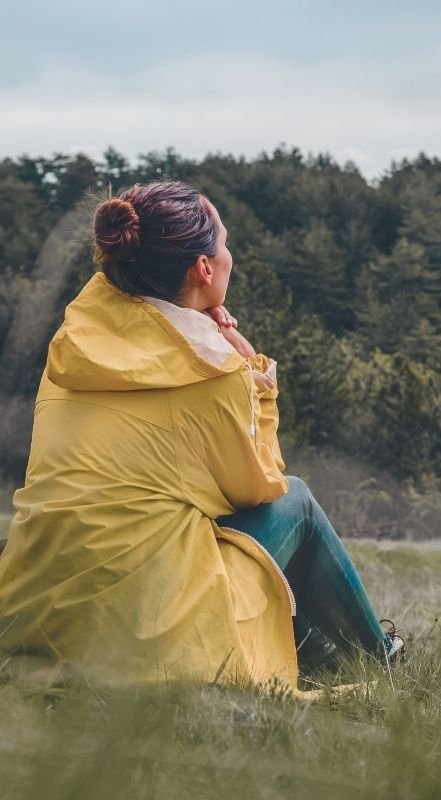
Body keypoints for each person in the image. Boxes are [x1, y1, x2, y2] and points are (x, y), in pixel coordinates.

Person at [0, 179, 404, 692]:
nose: (231, 254)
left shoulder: (75, 348)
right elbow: (259, 487)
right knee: (296, 500)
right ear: (204, 268)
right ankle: (376, 660)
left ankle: (330, 655)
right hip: (150, 632)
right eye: (225, 244)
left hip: (36, 613)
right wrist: (248, 367)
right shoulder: (212, 372)